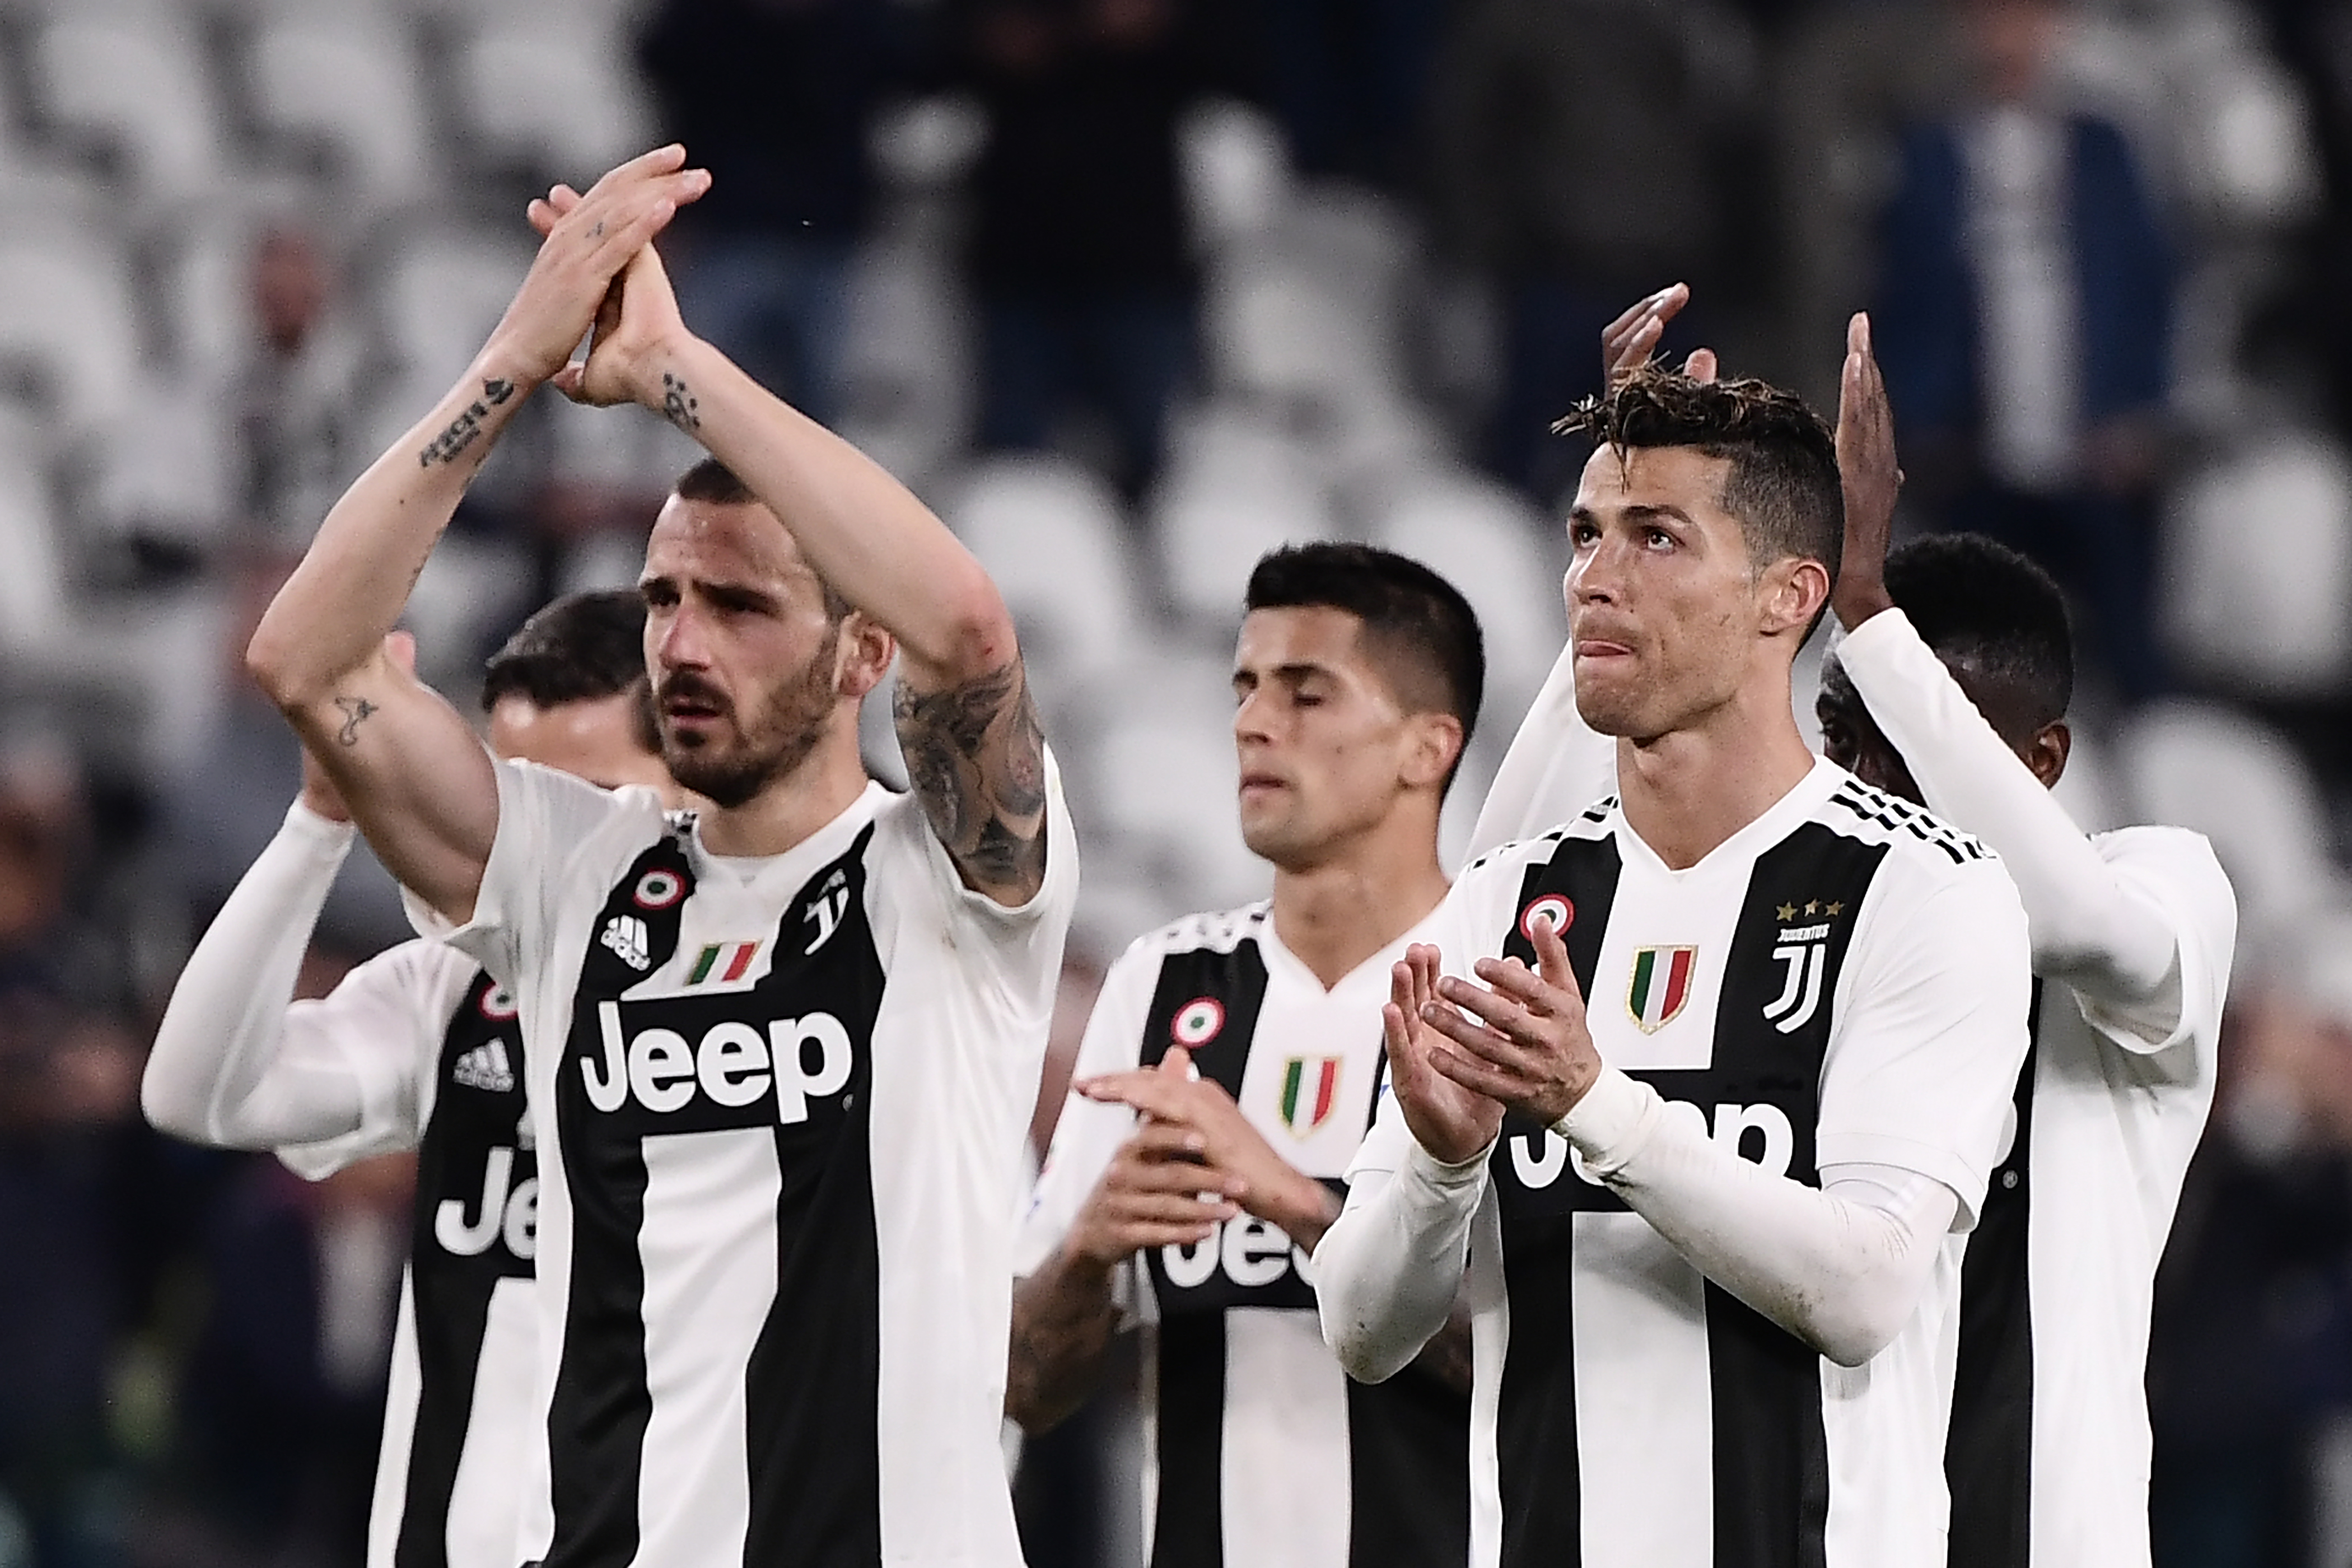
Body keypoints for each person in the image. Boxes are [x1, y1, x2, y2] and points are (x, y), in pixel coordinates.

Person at [240, 146, 1079, 1568]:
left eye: (741, 606)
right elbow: (309, 663)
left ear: (860, 649)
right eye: (663, 599)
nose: (682, 645)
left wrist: (675, 367)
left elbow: (970, 630)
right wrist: (514, 357)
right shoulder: (572, 870)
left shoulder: (951, 880)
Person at [1313, 366, 2034, 1567]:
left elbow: (1864, 1293)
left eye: (1657, 538)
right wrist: (1443, 1166)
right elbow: (1361, 1328)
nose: (1596, 577)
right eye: (1586, 534)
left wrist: (1595, 1107)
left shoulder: (1926, 890)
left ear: (1787, 597)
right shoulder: (1507, 897)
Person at [143, 591, 678, 1568]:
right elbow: (199, 1095)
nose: (536, 844)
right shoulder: (452, 994)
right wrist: (319, 821)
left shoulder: (790, 1009)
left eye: (591, 799)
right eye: (513, 799)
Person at [1816, 343, 2235, 1568]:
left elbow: (2070, 922)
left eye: (1909, 740)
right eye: (1842, 735)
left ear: (2041, 760)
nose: (1859, 783)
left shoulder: (2165, 883)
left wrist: (1871, 618)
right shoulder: (1806, 935)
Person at [1010, 543, 1478, 1567]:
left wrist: (1295, 1202)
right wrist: (1087, 1253)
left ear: (1427, 748)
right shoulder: (1162, 988)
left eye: (1307, 695)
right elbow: (1027, 1389)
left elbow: (1549, 1371)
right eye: (1246, 688)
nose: (1253, 723)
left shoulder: (1508, 999)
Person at [1872, 0, 2174, 701]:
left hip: (2094, 448)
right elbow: (1902, 294)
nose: (2008, 38)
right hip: (1974, 451)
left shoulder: (2104, 149)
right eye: (1990, 19)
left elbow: (2147, 286)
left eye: (2026, 19)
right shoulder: (1930, 151)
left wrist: (2139, 411)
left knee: (2127, 652)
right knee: (1972, 651)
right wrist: (1921, 424)